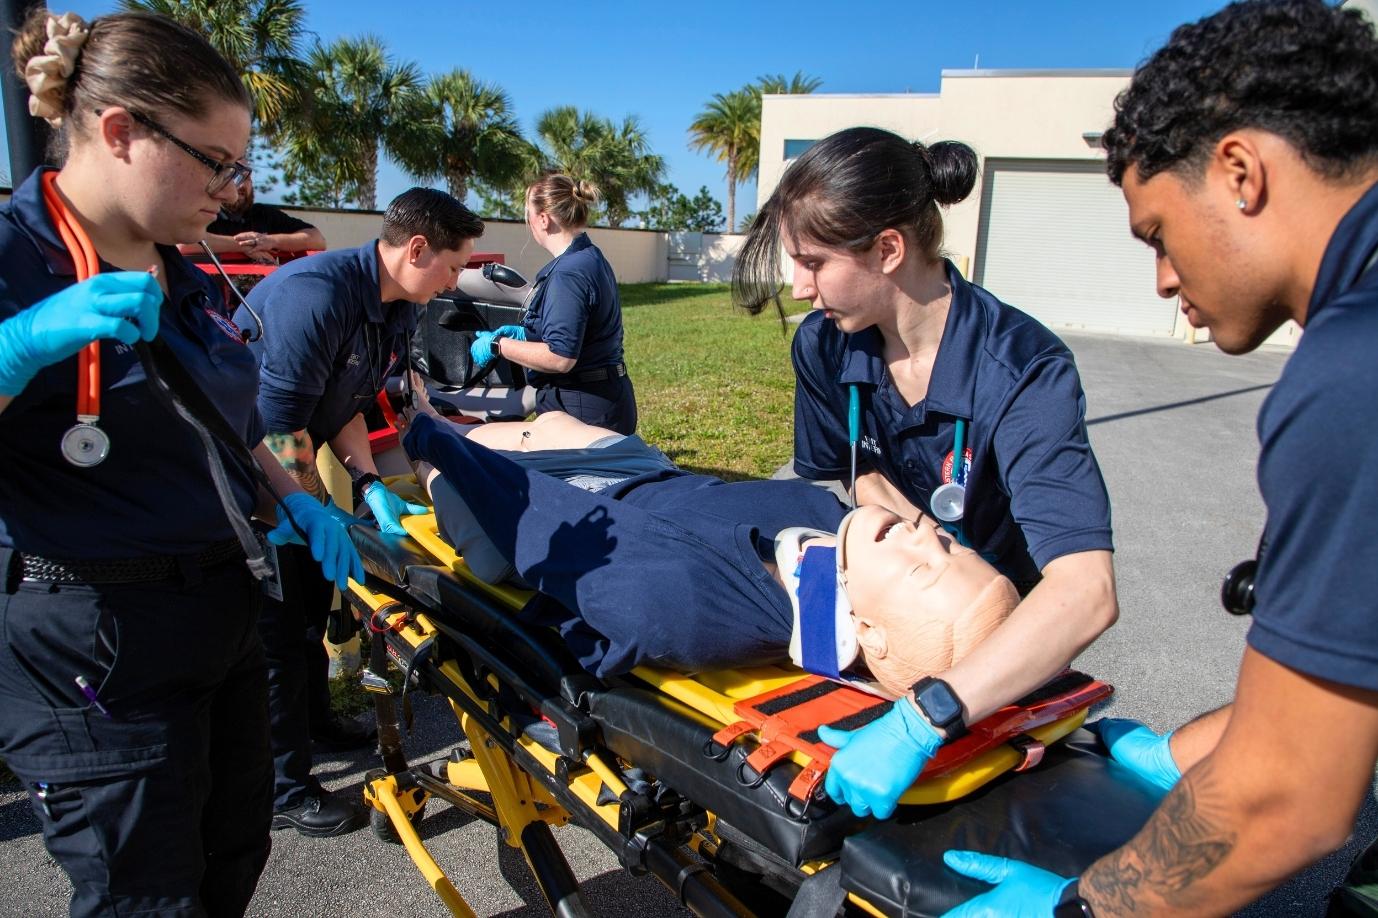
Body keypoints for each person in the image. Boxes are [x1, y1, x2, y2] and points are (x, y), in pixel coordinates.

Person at [936, 2, 1378, 915]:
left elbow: (1289, 794)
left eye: (1159, 236)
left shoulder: (1352, 377)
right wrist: (1180, 752)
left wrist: (1087, 909)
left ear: (1242, 173)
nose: (1165, 283)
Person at [0, 10, 360, 916]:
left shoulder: (184, 271)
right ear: (121, 131)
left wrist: (297, 502)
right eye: (217, 161)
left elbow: (225, 426)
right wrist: (18, 347)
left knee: (232, 854)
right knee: (146, 897)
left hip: (219, 613)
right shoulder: (14, 256)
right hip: (97, 639)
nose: (235, 191)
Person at [733, 126, 1118, 819]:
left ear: (888, 249)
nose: (798, 287)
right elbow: (856, 475)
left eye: (813, 262)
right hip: (889, 629)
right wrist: (910, 552)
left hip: (996, 645)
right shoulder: (825, 346)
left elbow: (1085, 590)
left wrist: (927, 714)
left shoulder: (1023, 370)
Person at [401, 399, 1019, 693]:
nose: (926, 535)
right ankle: (455, 421)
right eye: (952, 548)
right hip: (646, 479)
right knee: (554, 425)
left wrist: (435, 440)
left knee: (461, 470)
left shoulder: (688, 605)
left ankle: (424, 419)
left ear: (871, 635)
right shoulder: (830, 538)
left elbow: (539, 521)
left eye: (924, 572)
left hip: (546, 521)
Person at [234, 187, 484, 837]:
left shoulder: (396, 301)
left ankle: (316, 723)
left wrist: (368, 482)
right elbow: (280, 427)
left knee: (316, 606)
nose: (458, 280)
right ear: (417, 248)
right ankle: (284, 787)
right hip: (251, 474)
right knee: (279, 634)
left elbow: (345, 398)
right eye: (454, 266)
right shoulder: (316, 296)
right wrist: (310, 513)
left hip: (295, 458)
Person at [471, 173, 638, 434]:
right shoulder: (590, 257)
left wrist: (498, 345)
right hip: (602, 398)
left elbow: (561, 357)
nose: (528, 222)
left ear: (543, 219)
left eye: (528, 214)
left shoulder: (568, 273)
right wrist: (527, 335)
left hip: (582, 409)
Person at [177, 171, 326, 264]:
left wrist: (269, 241)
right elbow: (183, 243)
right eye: (236, 177)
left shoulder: (262, 214)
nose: (242, 185)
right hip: (211, 303)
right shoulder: (206, 211)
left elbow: (317, 239)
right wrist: (247, 245)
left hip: (258, 302)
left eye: (247, 179)